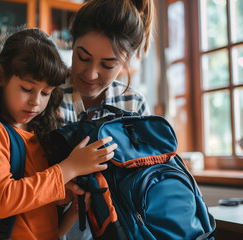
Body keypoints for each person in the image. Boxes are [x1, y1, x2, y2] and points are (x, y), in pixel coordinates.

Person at [0, 28, 117, 240]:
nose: (36, 102)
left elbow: (49, 233)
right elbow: (4, 201)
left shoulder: (38, 138)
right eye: (27, 88)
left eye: (46, 93)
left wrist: (75, 210)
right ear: (0, 77)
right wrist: (68, 168)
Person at [56, 0, 155, 239]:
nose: (91, 74)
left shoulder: (134, 105)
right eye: (83, 57)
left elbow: (147, 186)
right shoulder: (46, 96)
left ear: (125, 61)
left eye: (108, 65)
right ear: (72, 43)